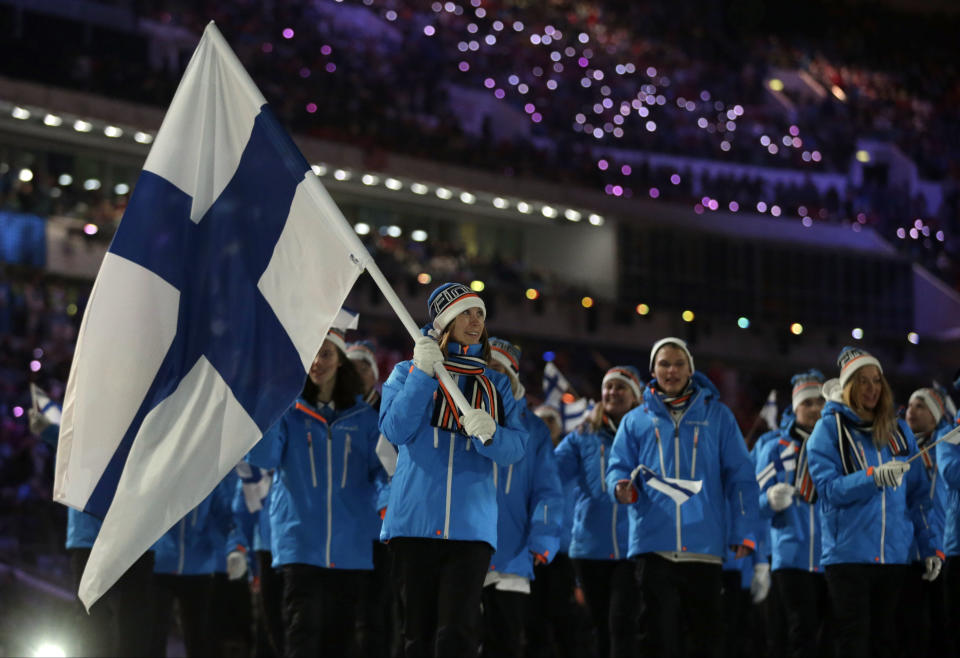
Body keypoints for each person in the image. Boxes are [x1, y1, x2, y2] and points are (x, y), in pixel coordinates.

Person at [379, 282, 527, 657]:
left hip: (471, 528)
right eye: (465, 313)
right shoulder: (405, 372)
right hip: (415, 524)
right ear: (444, 322)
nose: (475, 321)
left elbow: (517, 450)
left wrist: (493, 432)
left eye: (479, 313)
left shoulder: (495, 384)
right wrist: (421, 376)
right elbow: (395, 430)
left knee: (458, 634)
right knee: (417, 636)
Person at [606, 337, 759, 658]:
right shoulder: (636, 420)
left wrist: (743, 530)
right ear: (653, 369)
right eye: (664, 363)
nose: (671, 370)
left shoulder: (718, 416)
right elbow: (617, 467)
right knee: (657, 639)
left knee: (706, 639)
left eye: (678, 363)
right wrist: (619, 487)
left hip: (704, 547)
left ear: (690, 368)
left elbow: (741, 478)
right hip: (653, 544)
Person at [247, 327, 385, 658]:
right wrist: (270, 400)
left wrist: (387, 508)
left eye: (327, 353)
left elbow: (381, 473)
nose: (317, 361)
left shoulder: (365, 419)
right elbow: (264, 458)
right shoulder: (288, 412)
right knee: (301, 633)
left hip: (351, 544)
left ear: (340, 361)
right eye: (312, 352)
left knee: (339, 639)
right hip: (299, 542)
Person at [805, 347, 943, 658]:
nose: (872, 389)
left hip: (894, 556)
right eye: (863, 381)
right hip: (848, 556)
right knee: (853, 642)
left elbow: (918, 495)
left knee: (886, 642)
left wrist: (929, 545)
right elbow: (828, 490)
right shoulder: (829, 430)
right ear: (848, 386)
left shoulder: (898, 429)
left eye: (877, 380)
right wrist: (873, 477)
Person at [28, 408, 157, 658]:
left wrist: (51, 432)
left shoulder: (139, 399)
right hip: (95, 534)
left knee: (131, 621)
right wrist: (50, 432)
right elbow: (80, 449)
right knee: (95, 619)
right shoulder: (86, 404)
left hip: (132, 531)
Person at [554, 364, 644, 658]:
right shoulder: (584, 434)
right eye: (608, 387)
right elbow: (553, 472)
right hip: (589, 546)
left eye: (620, 387)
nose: (612, 392)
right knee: (598, 626)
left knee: (622, 623)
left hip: (632, 546)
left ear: (635, 396)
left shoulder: (647, 432)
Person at [482, 337, 564, 658]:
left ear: (513, 376)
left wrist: (542, 541)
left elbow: (548, 491)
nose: (492, 375)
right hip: (460, 549)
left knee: (506, 643)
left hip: (511, 557)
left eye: (499, 369)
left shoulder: (535, 430)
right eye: (487, 367)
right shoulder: (457, 416)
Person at [754, 370, 829, 658]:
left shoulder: (837, 447)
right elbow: (751, 502)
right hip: (790, 555)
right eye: (807, 403)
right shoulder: (775, 447)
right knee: (800, 632)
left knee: (827, 636)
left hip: (831, 556)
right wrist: (768, 501)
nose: (814, 409)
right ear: (795, 407)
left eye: (820, 403)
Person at [901, 386, 952, 658]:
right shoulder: (897, 447)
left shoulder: (948, 446)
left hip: (941, 548)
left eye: (920, 406)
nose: (912, 411)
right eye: (910, 405)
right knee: (911, 627)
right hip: (907, 552)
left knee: (941, 625)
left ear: (935, 416)